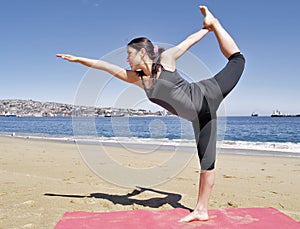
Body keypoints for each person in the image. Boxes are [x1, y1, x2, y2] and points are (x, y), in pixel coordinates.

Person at [57, 6, 245, 222]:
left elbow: (188, 42)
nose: (126, 60)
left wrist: (208, 29)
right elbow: (105, 67)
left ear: (142, 52)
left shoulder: (166, 60)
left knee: (238, 60)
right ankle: (202, 210)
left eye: (129, 54)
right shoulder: (138, 80)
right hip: (200, 118)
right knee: (206, 163)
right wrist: (78, 59)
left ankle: (216, 23)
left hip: (207, 94)